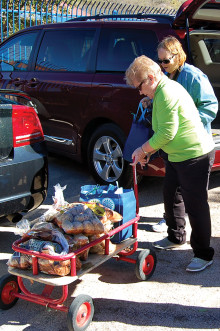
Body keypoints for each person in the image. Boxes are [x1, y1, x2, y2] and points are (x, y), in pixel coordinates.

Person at [125, 55, 215, 272]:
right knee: (171, 196)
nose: (139, 92)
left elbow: (166, 132)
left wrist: (143, 149)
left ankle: (203, 254)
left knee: (196, 206)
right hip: (176, 155)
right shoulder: (161, 90)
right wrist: (150, 150)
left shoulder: (166, 92)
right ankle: (176, 237)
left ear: (151, 77)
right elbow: (163, 129)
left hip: (194, 156)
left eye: (140, 86)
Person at [151, 35, 218, 233]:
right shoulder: (167, 76)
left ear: (178, 56)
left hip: (194, 146)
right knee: (172, 192)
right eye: (159, 61)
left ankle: (202, 250)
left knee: (194, 199)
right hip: (174, 146)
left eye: (166, 61)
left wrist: (187, 124)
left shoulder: (194, 76)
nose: (162, 65)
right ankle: (175, 230)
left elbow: (210, 106)